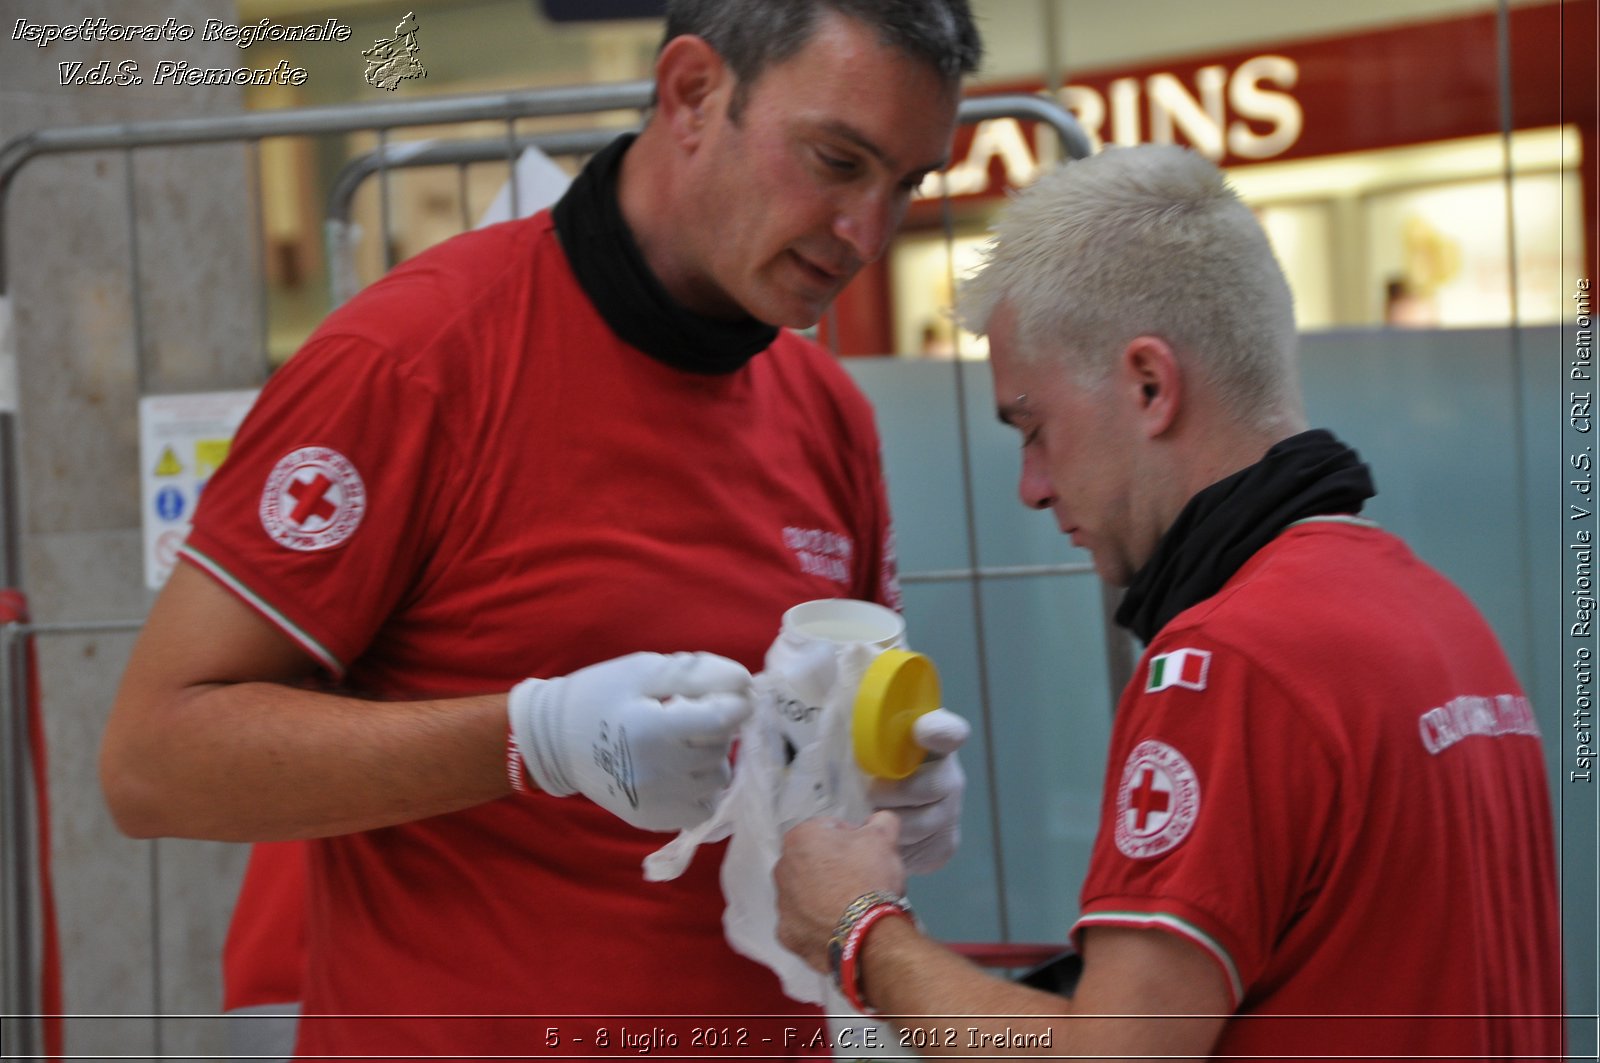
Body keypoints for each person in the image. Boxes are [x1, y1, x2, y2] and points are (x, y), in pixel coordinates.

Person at [98, 1, 982, 1057]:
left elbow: (826, 736)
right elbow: (154, 761)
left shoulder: (828, 409)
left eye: (907, 186)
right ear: (692, 92)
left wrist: (886, 790)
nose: (868, 234)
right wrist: (532, 736)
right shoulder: (413, 360)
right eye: (837, 160)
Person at [775, 144, 1564, 1059]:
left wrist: (859, 929)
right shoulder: (1440, 616)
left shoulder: (1229, 662)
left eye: (1034, 428)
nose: (1031, 486)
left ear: (1149, 384)